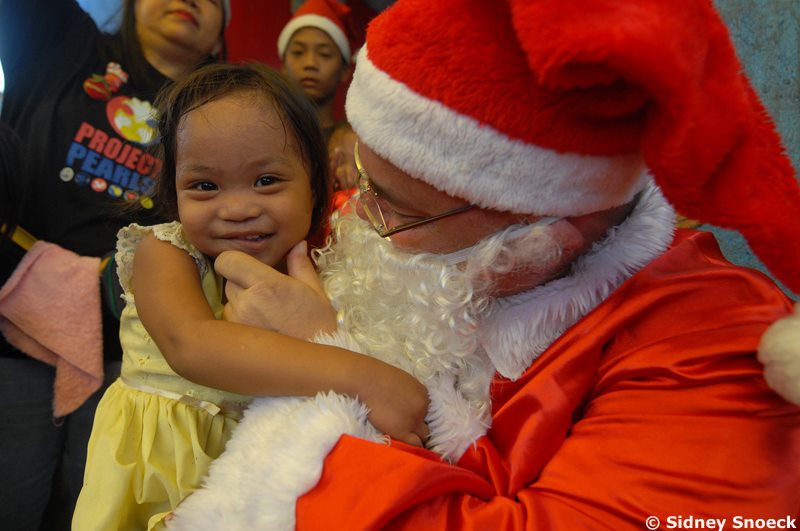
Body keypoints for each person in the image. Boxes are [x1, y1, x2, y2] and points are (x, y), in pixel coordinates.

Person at [164, 0, 800, 529]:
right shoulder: (408, 234)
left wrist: (324, 361)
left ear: (548, 236)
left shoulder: (712, 357)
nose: (362, 219)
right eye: (361, 179)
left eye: (398, 209)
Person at [72, 61, 428, 531]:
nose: (238, 208)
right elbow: (191, 345)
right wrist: (366, 378)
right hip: (157, 479)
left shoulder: (325, 266)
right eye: (204, 186)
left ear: (314, 186)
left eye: (266, 181)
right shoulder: (166, 251)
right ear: (173, 191)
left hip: (262, 484)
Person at [0, 0, 230, 528]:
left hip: (137, 353)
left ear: (221, 33)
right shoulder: (65, 43)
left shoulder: (221, 111)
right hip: (12, 329)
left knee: (93, 510)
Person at [278, 0, 359, 192]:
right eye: (298, 52)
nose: (310, 63)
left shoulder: (353, 144)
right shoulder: (267, 134)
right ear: (282, 65)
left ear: (345, 70)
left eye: (324, 54)